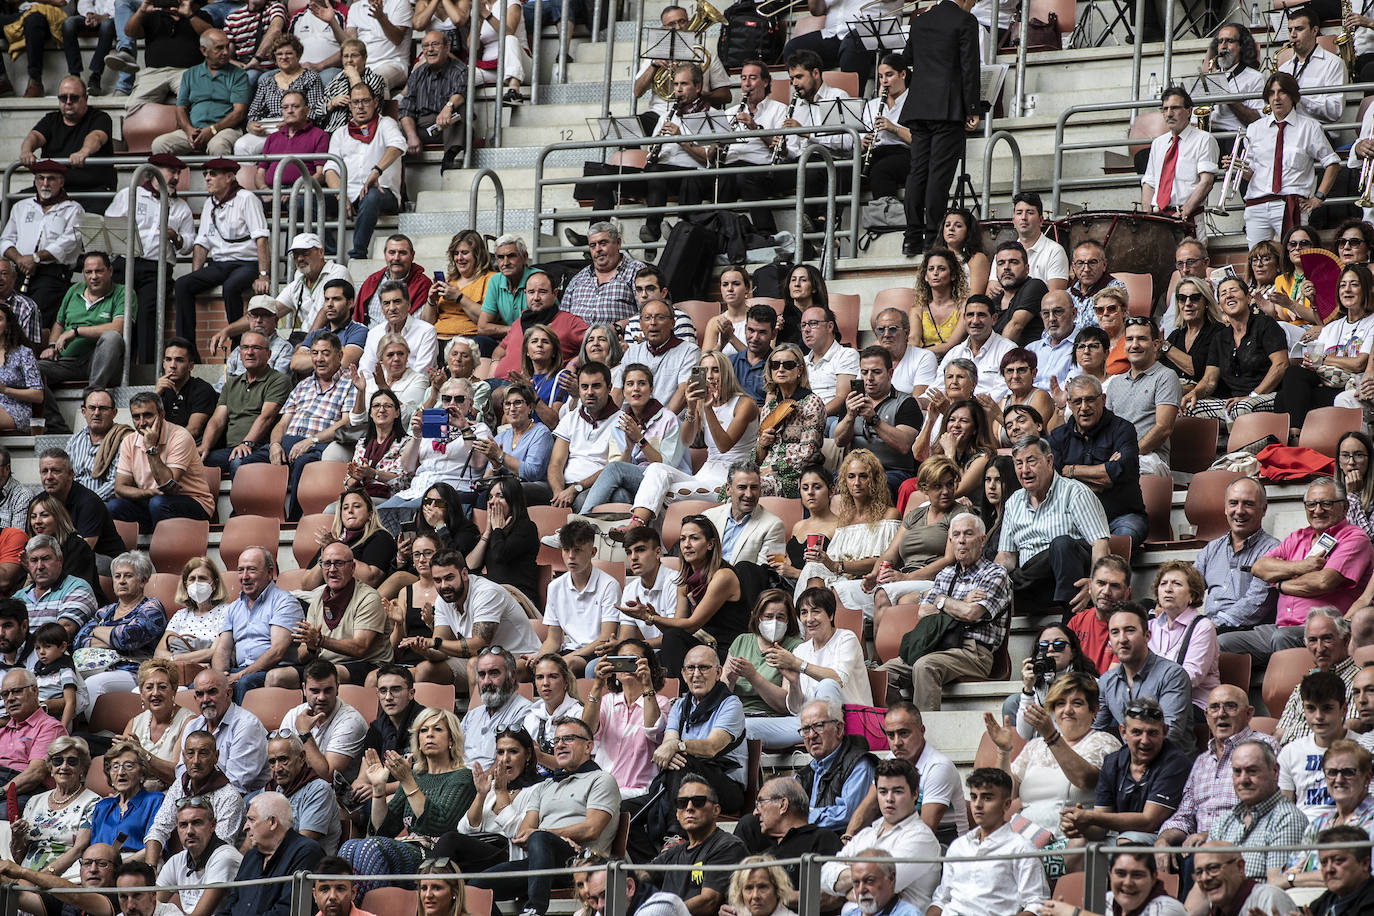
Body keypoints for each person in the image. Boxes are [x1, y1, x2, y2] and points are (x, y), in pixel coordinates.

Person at [468, 716, 618, 916]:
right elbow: (523, 833)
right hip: (539, 864)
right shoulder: (546, 786)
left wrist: (547, 834)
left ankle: (534, 909)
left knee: (539, 836)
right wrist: (544, 836)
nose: (560, 745)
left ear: (588, 746)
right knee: (474, 889)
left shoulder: (601, 779)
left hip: (581, 863)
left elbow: (592, 828)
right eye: (556, 741)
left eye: (569, 739)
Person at [986, 671, 1120, 869]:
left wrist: (1051, 736)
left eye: (1077, 703)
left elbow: (1086, 780)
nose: (1067, 710)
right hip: (1026, 838)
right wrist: (1004, 752)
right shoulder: (1035, 746)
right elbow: (1005, 792)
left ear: (1094, 711)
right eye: (1060, 703)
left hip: (1075, 841)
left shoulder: (1104, 742)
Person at [1229, 480, 1373, 661]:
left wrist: (1281, 584)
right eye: (1311, 504)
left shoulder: (1355, 539)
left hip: (1321, 632)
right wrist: (1302, 566)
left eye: (1326, 504)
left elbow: (1323, 582)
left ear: (1344, 507)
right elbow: (1259, 567)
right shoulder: (1298, 537)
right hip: (1280, 627)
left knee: (1283, 638)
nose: (1318, 510)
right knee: (1223, 643)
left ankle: (1297, 689)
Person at [1155, 685, 1276, 868]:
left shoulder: (1264, 747)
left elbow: (1268, 808)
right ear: (1206, 716)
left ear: (1249, 713)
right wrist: (1163, 840)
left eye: (1230, 706)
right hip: (1198, 850)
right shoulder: (1202, 762)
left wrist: (1210, 836)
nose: (1221, 714)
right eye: (1214, 707)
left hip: (1243, 845)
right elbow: (1184, 815)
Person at [996, 436, 1111, 614]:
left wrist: (1094, 584)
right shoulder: (1013, 502)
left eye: (1031, 461)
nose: (1025, 470)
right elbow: (1006, 556)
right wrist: (989, 578)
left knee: (1061, 545)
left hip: (1066, 579)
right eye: (1019, 463)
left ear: (1049, 461)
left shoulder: (1074, 492)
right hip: (1033, 591)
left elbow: (1100, 544)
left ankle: (1071, 618)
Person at [1060, 697, 1190, 845]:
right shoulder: (1112, 762)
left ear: (1165, 731)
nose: (1145, 740)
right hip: (1121, 838)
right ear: (1123, 732)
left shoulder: (1175, 762)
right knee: (1076, 843)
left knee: (1127, 841)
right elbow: (1099, 829)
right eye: (1136, 732)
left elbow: (1148, 822)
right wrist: (1079, 826)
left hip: (1162, 839)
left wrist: (1090, 817)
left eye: (1152, 733)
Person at [172, 159, 269, 353]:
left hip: (245, 263)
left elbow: (261, 238)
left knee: (231, 287)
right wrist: (196, 276)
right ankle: (187, 349)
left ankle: (237, 346)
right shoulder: (210, 203)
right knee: (183, 284)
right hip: (219, 264)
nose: (207, 178)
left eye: (213, 173)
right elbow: (202, 243)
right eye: (205, 174)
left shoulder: (246, 198)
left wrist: (263, 275)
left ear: (229, 177)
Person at [928, 768, 1048, 916]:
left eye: (987, 798)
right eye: (973, 797)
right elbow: (941, 899)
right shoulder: (959, 846)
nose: (977, 804)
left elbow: (1036, 905)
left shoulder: (1021, 849)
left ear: (1006, 804)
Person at [1238, 72, 1340, 247]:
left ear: (1293, 96)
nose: (1276, 98)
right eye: (1271, 93)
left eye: (1282, 92)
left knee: (1296, 258)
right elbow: (1252, 173)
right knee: (1256, 260)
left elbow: (1332, 163)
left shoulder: (1309, 127)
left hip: (1291, 203)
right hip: (1257, 204)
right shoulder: (1254, 129)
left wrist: (1318, 198)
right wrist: (1236, 168)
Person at [1276, 263, 1374, 440]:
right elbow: (1315, 361)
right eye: (1343, 285)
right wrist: (1312, 362)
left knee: (1285, 399)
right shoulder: (1331, 327)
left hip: (1350, 386)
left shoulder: (1372, 323)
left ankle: (1295, 442)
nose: (1347, 290)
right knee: (1289, 383)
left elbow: (1360, 363)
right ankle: (1295, 438)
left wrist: (1323, 358)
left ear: (1366, 289)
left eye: (1354, 284)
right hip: (1325, 382)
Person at [36, 252, 128, 434]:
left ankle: (91, 397)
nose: (93, 277)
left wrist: (76, 331)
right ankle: (57, 427)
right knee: (30, 368)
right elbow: (59, 323)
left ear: (110, 270)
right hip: (68, 362)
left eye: (99, 271)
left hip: (102, 364)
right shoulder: (73, 290)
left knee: (112, 338)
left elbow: (118, 328)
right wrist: (52, 345)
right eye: (88, 272)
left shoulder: (122, 292)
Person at [73, 550, 165, 714]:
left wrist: (96, 630)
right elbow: (79, 640)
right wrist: (112, 638)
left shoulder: (151, 608)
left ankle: (100, 735)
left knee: (94, 685)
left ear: (143, 581)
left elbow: (128, 638)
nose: (121, 581)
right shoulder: (106, 611)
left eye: (128, 576)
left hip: (134, 670)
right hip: (97, 667)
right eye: (117, 576)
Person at [1271, 738, 1371, 888]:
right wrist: (1293, 878)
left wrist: (1293, 879)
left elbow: (1356, 877)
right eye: (1332, 772)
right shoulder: (1320, 823)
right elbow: (1281, 878)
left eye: (1348, 772)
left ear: (1366, 778)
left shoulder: (1371, 820)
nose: (1339, 779)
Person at [1094, 605, 1195, 752]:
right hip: (1130, 764)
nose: (1122, 639)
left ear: (1147, 636)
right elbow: (1097, 731)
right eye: (1115, 632)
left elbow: (1169, 734)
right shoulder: (1107, 681)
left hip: (1171, 765)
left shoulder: (1172, 675)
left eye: (1130, 630)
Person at [210, 547, 304, 701]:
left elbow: (277, 652)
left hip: (273, 669)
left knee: (244, 683)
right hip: (241, 671)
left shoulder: (284, 602)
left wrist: (239, 675)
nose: (244, 577)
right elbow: (223, 649)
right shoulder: (233, 608)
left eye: (252, 570)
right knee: (201, 686)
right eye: (241, 570)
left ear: (269, 572)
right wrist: (219, 677)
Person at [109, 392, 214, 529]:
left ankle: (166, 548)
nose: (142, 423)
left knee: (158, 503)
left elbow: (167, 485)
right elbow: (120, 488)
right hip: (154, 500)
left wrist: (151, 448)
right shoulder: (129, 441)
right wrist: (150, 492)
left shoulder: (180, 436)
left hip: (195, 502)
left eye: (148, 415)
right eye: (136, 417)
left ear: (162, 415)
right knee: (113, 506)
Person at [324, 84, 404, 261]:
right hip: (348, 193)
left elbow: (398, 146)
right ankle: (328, 253)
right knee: (307, 199)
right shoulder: (340, 133)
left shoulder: (386, 124)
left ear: (375, 102)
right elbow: (330, 169)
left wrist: (376, 171)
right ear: (350, 106)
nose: (360, 107)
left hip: (383, 192)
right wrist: (340, 194)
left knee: (372, 195)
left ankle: (358, 254)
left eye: (365, 101)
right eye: (356, 102)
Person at [142, 727, 246, 863]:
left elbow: (220, 849)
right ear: (184, 757)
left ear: (216, 756)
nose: (196, 761)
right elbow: (159, 828)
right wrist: (151, 867)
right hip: (187, 863)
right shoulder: (181, 784)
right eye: (190, 753)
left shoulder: (229, 796)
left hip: (219, 867)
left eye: (203, 753)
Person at [0, 161, 83, 330]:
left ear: (61, 182)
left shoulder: (73, 209)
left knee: (37, 319)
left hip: (52, 274)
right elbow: (6, 239)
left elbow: (68, 242)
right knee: (10, 315)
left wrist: (36, 258)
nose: (45, 183)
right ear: (35, 181)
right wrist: (20, 259)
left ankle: (33, 355)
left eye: (51, 179)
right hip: (21, 270)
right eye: (40, 178)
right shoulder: (21, 207)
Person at [646, 774, 748, 911]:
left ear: (716, 810)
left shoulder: (728, 846)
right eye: (682, 803)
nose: (689, 807)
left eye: (698, 801)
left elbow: (708, 901)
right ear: (677, 813)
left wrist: (663, 913)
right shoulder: (672, 854)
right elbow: (640, 875)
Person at [834, 347, 921, 496]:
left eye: (876, 372)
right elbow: (839, 440)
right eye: (864, 372)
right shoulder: (852, 400)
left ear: (890, 373)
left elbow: (904, 445)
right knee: (822, 485)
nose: (869, 378)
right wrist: (849, 417)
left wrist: (874, 420)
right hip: (856, 469)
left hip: (892, 471)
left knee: (876, 486)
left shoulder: (907, 403)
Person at [221, 792, 324, 916]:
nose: (245, 828)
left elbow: (288, 910)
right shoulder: (250, 856)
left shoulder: (306, 852)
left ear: (272, 822)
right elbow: (231, 904)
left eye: (251, 820)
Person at [1108, 317, 1182, 477]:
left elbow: (1163, 428)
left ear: (1156, 345)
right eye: (1129, 339)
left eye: (1141, 339)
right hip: (1115, 457)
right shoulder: (1115, 383)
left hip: (1149, 459)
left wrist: (1127, 453)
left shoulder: (1166, 376)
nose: (1134, 345)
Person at [19, 78, 116, 195]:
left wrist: (84, 152)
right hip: (52, 190)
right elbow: (35, 136)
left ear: (85, 99)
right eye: (63, 98)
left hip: (91, 191)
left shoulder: (100, 118)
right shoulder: (50, 120)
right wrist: (26, 151)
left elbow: (96, 137)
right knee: (7, 204)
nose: (68, 102)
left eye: (74, 98)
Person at [234, 36, 324, 157]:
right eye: (279, 54)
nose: (284, 57)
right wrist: (251, 125)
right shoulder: (267, 82)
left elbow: (315, 111)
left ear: (298, 55)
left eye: (289, 53)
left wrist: (291, 123)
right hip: (268, 130)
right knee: (241, 146)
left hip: (298, 129)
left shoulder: (310, 78)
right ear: (275, 58)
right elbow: (254, 113)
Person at [256, 729, 341, 853]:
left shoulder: (318, 790)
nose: (277, 768)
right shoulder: (268, 791)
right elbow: (252, 835)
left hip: (307, 867)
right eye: (272, 762)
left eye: (283, 759)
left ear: (301, 758)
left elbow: (302, 843)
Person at [155, 793, 242, 915]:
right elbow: (151, 905)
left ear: (212, 825)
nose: (189, 831)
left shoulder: (225, 857)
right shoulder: (177, 861)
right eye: (183, 825)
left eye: (196, 823)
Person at [1143, 87, 1219, 220]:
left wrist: (1184, 212)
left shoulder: (1204, 139)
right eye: (1165, 109)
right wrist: (1146, 214)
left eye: (1175, 108)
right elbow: (1149, 182)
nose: (1169, 114)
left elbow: (1206, 182)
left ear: (1189, 111)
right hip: (1157, 217)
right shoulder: (1158, 143)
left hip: (1187, 216)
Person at [397, 31, 466, 171]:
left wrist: (448, 107)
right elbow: (406, 108)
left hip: (448, 125)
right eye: (426, 46)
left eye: (435, 45)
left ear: (447, 48)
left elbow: (461, 92)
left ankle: (449, 158)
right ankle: (400, 184)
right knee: (395, 132)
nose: (430, 49)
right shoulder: (417, 74)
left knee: (459, 115)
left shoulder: (459, 69)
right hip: (424, 127)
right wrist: (411, 135)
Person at [1039, 852, 1186, 916]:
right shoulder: (1108, 900)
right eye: (1120, 874)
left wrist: (1074, 913)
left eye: (1137, 875)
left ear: (1154, 877)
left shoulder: (1168, 908)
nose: (1128, 883)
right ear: (1110, 873)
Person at [121, 658, 193, 788]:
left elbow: (179, 775)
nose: (155, 693)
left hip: (168, 797)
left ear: (174, 690)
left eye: (162, 687)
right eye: (149, 687)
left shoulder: (188, 722)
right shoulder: (134, 723)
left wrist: (143, 755)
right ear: (142, 694)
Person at [459, 647, 534, 767]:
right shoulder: (472, 715)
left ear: (512, 676)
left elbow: (511, 760)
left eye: (494, 673)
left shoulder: (525, 711)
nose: (487, 681)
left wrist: (483, 779)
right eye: (482, 675)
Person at [561, 223, 646, 329]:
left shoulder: (636, 270)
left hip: (619, 342)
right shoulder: (578, 279)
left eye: (603, 243)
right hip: (579, 343)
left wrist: (617, 328)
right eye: (593, 245)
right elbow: (563, 319)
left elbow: (649, 312)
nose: (597, 249)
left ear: (618, 243)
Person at [87, 739, 162, 857]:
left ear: (142, 773)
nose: (121, 772)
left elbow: (156, 847)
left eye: (128, 766)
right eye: (115, 767)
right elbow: (93, 848)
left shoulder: (154, 800)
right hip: (101, 865)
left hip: (137, 865)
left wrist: (117, 866)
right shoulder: (102, 806)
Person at [154, 559, 228, 669]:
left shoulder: (226, 611)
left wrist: (174, 658)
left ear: (214, 584)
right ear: (186, 585)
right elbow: (158, 654)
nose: (196, 583)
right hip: (178, 671)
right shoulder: (180, 615)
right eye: (192, 579)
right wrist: (194, 659)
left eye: (202, 578)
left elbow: (215, 652)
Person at [937, 297, 1016, 399]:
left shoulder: (1007, 350)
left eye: (981, 315)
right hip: (953, 410)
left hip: (988, 411)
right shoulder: (954, 353)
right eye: (970, 315)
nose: (975, 321)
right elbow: (938, 387)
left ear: (994, 319)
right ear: (964, 319)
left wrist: (971, 407)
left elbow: (1003, 390)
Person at [20, 533, 98, 635]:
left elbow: (63, 632)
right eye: (34, 560)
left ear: (60, 560)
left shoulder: (78, 588)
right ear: (28, 565)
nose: (39, 566)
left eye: (45, 558)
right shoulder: (19, 596)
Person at [990, 192, 1069, 294]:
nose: (1023, 217)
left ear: (1041, 220)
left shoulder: (1055, 251)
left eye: (1030, 213)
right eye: (1019, 213)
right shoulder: (1003, 253)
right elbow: (991, 291)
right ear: (1013, 221)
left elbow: (1055, 297)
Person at [155, 340, 217, 444]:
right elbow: (144, 423)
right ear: (164, 364)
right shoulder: (161, 390)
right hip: (165, 444)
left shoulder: (202, 389)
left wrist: (166, 446)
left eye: (179, 360)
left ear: (190, 366)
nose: (173, 365)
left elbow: (193, 430)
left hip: (192, 447)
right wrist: (155, 395)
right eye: (168, 360)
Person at [910, 248, 968, 358]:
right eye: (931, 269)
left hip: (956, 361)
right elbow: (914, 339)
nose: (935, 273)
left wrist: (918, 354)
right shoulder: (918, 309)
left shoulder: (963, 306)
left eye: (941, 269)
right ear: (926, 277)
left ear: (953, 275)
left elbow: (951, 345)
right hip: (925, 362)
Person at [988, 242, 1047, 346]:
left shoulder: (1035, 286)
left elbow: (1016, 326)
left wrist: (996, 358)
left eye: (1014, 262)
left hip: (1025, 358)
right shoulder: (994, 301)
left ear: (1027, 269)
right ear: (996, 270)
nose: (1006, 267)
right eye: (1001, 263)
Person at [871, 307, 938, 398]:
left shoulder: (923, 357)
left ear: (906, 333)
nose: (886, 334)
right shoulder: (870, 358)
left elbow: (917, 402)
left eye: (892, 329)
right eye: (881, 330)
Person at [1065, 241, 1124, 327]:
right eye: (1080, 263)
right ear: (1073, 267)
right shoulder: (1068, 294)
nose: (1086, 269)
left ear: (1104, 265)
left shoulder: (1114, 289)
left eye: (1092, 262)